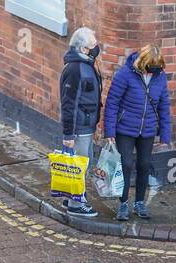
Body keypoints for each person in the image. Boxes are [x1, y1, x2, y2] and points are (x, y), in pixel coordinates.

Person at [103, 44, 172, 222]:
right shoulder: (125, 75)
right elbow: (112, 103)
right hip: (125, 128)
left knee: (144, 165)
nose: (153, 72)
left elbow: (164, 106)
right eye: (150, 68)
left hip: (147, 129)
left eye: (157, 69)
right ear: (142, 63)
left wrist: (165, 134)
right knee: (126, 164)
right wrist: (109, 130)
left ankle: (139, 202)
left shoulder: (160, 78)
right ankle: (123, 203)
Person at [59, 26, 104, 218]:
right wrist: (68, 135)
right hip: (79, 127)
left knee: (79, 163)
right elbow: (68, 104)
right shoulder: (75, 69)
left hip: (86, 124)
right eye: (93, 46)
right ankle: (76, 204)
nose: (96, 49)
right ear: (83, 48)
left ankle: (70, 197)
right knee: (80, 165)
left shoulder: (85, 64)